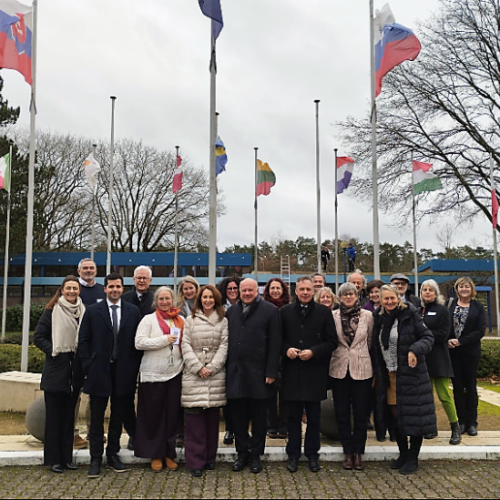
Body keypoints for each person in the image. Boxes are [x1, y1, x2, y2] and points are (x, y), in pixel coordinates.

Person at [78, 273, 143, 479]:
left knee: (118, 416)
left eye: (118, 286)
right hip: (99, 371)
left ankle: (113, 453)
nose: (114, 290)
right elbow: (84, 340)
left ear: (123, 289)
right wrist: (89, 364)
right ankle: (95, 457)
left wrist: (134, 366)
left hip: (124, 372)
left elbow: (137, 342)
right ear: (104, 289)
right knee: (96, 417)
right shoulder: (93, 311)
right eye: (111, 286)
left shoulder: (133, 311)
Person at [373, 285, 436, 476]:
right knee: (395, 417)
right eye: (386, 299)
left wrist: (414, 349)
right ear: (381, 300)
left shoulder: (411, 314)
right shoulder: (378, 318)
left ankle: (413, 458)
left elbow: (428, 337)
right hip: (389, 376)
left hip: (411, 375)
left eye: (393, 298)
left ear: (398, 298)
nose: (390, 302)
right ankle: (403, 453)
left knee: (415, 417)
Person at [281, 276, 338, 474]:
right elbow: (277, 340)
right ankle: (293, 455)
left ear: (313, 291)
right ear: (296, 291)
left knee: (314, 418)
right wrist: (286, 349)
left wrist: (314, 352)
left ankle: (313, 455)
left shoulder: (323, 312)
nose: (305, 292)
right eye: (301, 289)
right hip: (292, 372)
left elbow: (332, 342)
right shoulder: (285, 312)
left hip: (315, 372)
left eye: (308, 289)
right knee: (293, 418)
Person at [226, 278, 281, 474]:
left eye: (251, 290)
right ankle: (242, 453)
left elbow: (275, 343)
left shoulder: (270, 311)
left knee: (259, 419)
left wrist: (271, 371)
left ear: (257, 290)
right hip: (236, 374)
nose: (247, 293)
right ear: (239, 291)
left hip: (260, 374)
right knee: (238, 418)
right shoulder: (231, 311)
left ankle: (256, 454)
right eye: (244, 290)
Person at [34, 276, 86, 474]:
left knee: (68, 419)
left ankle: (66, 458)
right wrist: (54, 350)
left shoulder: (83, 311)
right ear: (62, 290)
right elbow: (38, 337)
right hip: (56, 371)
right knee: (54, 419)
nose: (72, 291)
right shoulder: (51, 311)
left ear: (79, 290)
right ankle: (54, 460)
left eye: (75, 288)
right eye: (68, 288)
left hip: (74, 372)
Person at [134, 287, 184, 473]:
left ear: (173, 300)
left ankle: (169, 453)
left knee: (172, 416)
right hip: (153, 375)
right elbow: (139, 342)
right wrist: (164, 340)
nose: (164, 302)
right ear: (156, 301)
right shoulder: (148, 320)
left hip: (175, 373)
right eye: (161, 299)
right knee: (153, 416)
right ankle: (155, 454)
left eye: (167, 298)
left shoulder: (180, 320)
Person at [182, 285, 228, 478]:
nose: (207, 300)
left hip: (215, 375)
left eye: (211, 297)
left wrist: (212, 367)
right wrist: (198, 367)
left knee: (211, 421)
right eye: (204, 297)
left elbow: (225, 345)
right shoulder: (190, 320)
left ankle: (210, 458)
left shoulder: (223, 320)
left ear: (215, 299)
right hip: (194, 374)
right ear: (199, 299)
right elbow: (185, 345)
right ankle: (195, 462)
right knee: (194, 423)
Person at [330, 283, 373, 471]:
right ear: (340, 297)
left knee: (361, 413)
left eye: (351, 294)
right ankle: (347, 451)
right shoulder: (333, 316)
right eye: (344, 294)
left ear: (357, 296)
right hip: (339, 369)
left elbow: (370, 341)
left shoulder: (368, 316)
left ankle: (358, 451)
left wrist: (359, 356)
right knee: (342, 412)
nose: (348, 297)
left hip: (361, 369)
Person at [420, 279, 461, 445]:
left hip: (439, 359)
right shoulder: (418, 310)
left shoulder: (442, 311)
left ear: (436, 292)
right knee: (426, 397)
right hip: (423, 360)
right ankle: (431, 427)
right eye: (424, 290)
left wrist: (423, 333)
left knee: (444, 396)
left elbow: (443, 334)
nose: (427, 292)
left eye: (431, 289)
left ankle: (455, 428)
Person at [73, 258, 106, 450]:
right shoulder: (73, 289)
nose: (88, 271)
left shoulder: (103, 290)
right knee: (74, 393)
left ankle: (95, 432)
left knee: (95, 394)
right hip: (77, 350)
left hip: (98, 351)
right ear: (79, 271)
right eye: (84, 268)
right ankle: (73, 434)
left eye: (91, 268)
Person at [121, 265, 154, 452]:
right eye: (138, 278)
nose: (141, 281)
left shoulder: (156, 300)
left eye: (145, 278)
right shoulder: (124, 299)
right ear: (133, 279)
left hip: (150, 355)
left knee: (148, 397)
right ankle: (132, 432)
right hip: (128, 356)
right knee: (126, 397)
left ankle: (147, 433)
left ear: (150, 280)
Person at [448, 277, 486, 437]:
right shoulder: (450, 305)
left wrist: (461, 341)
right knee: (457, 387)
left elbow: (480, 330)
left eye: (467, 286)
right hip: (453, 353)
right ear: (457, 289)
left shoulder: (478, 307)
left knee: (470, 387)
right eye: (461, 286)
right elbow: (444, 325)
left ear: (471, 289)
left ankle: (472, 423)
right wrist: (448, 340)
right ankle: (461, 421)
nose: (464, 289)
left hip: (470, 352)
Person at [263, 278, 291, 439]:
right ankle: (271, 425)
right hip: (268, 355)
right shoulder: (263, 309)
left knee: (286, 393)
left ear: (283, 290)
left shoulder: (288, 308)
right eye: (272, 288)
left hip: (286, 355)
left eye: (278, 288)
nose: (275, 290)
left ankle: (284, 425)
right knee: (270, 394)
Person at [216, 276, 242, 445]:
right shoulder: (219, 310)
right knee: (227, 397)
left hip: (242, 358)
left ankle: (240, 430)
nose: (233, 291)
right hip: (224, 357)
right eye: (229, 289)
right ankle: (229, 429)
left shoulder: (247, 307)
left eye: (235, 288)